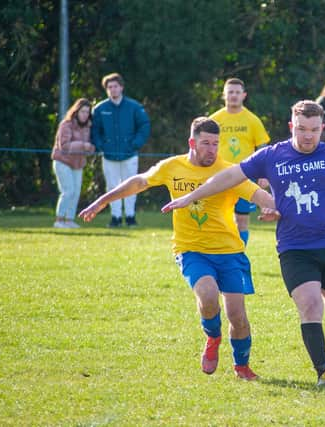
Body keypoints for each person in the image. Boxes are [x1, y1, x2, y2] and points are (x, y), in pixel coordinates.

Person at [163, 101, 325, 387]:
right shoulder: (273, 156)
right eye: (301, 129)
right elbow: (228, 176)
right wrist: (189, 197)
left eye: (313, 130)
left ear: (322, 128)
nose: (308, 136)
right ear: (291, 127)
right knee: (310, 306)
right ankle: (323, 372)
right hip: (294, 248)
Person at [79, 117, 277, 380]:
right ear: (192, 143)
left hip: (230, 252)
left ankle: (242, 366)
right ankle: (213, 337)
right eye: (206, 143)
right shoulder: (173, 166)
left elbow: (259, 195)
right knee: (207, 298)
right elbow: (139, 181)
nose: (212, 149)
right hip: (191, 249)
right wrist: (102, 201)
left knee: (238, 317)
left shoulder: (229, 171)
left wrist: (270, 207)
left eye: (216, 144)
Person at [210, 78, 270, 246]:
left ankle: (239, 253)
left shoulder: (252, 120)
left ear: (244, 95)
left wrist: (264, 174)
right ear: (224, 95)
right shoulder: (214, 120)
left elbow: (263, 149)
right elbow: (204, 145)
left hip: (245, 175)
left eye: (237, 92)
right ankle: (220, 250)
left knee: (242, 220)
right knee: (220, 218)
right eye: (230, 92)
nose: (234, 95)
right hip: (220, 174)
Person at [91, 72, 151, 228]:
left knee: (132, 186)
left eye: (115, 86)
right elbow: (95, 130)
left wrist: (135, 143)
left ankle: (130, 217)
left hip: (129, 154)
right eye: (109, 87)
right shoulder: (100, 109)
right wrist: (101, 145)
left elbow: (144, 126)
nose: (113, 89)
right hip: (109, 155)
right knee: (112, 187)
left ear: (121, 87)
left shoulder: (134, 107)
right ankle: (115, 217)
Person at [51, 98, 96, 228]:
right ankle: (59, 220)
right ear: (76, 111)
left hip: (78, 164)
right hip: (62, 162)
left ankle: (69, 220)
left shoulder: (88, 126)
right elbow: (64, 146)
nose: (85, 114)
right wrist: (83, 145)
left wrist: (90, 148)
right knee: (68, 191)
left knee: (76, 192)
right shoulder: (66, 124)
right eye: (82, 111)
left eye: (87, 112)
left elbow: (90, 147)